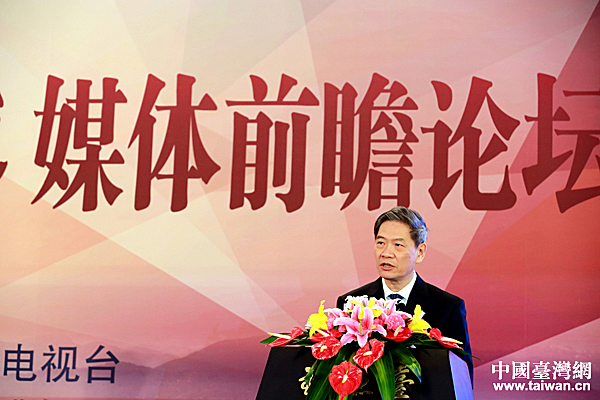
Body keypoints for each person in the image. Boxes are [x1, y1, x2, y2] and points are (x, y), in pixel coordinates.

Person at [336, 206, 473, 382]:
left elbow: (462, 379)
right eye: (380, 243)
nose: (386, 253)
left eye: (398, 245)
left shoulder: (447, 308)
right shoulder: (351, 304)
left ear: (420, 252)